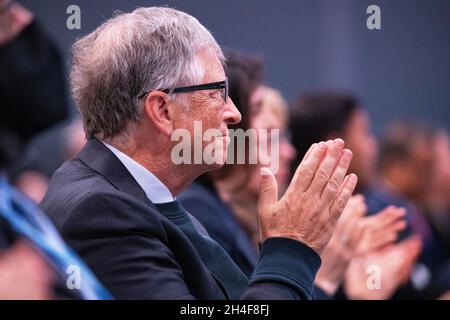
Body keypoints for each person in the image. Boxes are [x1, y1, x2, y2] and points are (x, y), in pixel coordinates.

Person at [41, 7, 357, 299]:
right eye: (218, 93)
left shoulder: (142, 198)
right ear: (162, 110)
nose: (234, 114)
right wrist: (291, 248)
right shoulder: (102, 213)